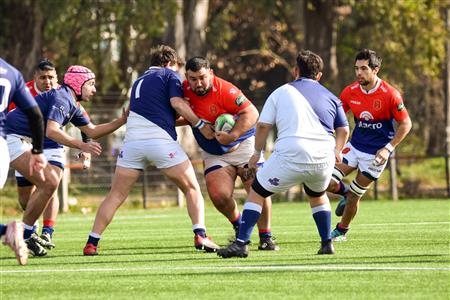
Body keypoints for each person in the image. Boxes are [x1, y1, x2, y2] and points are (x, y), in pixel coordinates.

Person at [83, 45, 219, 256]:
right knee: (192, 189)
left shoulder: (138, 81)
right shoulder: (169, 75)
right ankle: (200, 234)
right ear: (169, 63)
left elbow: (159, 116)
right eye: (177, 67)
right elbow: (177, 104)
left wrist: (192, 121)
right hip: (160, 143)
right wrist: (200, 124)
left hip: (132, 144)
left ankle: (92, 243)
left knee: (115, 195)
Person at [217, 50, 349, 258]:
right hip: (323, 158)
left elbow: (262, 127)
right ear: (319, 75)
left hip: (291, 154)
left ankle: (241, 244)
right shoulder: (331, 97)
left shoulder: (281, 92)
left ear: (295, 71)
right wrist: (337, 151)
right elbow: (344, 129)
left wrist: (256, 154)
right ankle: (326, 243)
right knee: (317, 195)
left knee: (257, 192)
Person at [6, 64, 128, 256]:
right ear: (79, 84)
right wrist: (81, 146)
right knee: (48, 182)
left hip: (21, 140)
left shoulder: (72, 103)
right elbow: (52, 131)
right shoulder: (62, 97)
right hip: (9, 136)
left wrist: (121, 121)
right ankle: (25, 234)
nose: (94, 89)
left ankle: (27, 234)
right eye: (91, 84)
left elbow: (92, 131)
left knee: (49, 182)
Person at [182, 56, 279, 250]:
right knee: (218, 195)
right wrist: (196, 122)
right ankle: (239, 225)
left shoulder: (226, 89)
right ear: (187, 77)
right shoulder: (182, 90)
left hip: (243, 145)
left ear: (211, 73)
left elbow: (252, 113)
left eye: (202, 77)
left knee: (257, 188)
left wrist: (232, 135)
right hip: (214, 152)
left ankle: (265, 237)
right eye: (193, 79)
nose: (198, 83)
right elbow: (178, 114)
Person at [326, 49, 412, 241]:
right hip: (355, 146)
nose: (358, 73)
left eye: (364, 69)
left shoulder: (390, 94)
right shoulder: (349, 92)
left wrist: (388, 148)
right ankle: (345, 194)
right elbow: (336, 119)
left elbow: (406, 124)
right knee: (325, 180)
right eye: (356, 69)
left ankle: (341, 231)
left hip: (376, 155)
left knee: (355, 196)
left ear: (376, 70)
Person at [12, 59, 92, 246]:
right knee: (25, 198)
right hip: (26, 144)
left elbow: (83, 120)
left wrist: (86, 145)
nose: (47, 82)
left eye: (51, 78)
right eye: (43, 78)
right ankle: (31, 226)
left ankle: (47, 232)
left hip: (53, 144)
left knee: (50, 185)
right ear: (35, 78)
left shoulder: (63, 93)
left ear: (57, 78)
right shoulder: (22, 92)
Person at [0, 57, 47, 265]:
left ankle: (6, 230)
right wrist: (37, 150)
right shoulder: (12, 72)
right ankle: (7, 230)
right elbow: (36, 115)